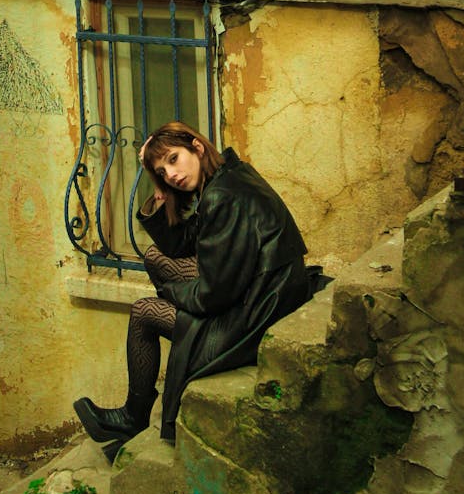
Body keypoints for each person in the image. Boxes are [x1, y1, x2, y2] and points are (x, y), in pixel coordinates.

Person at [73, 121, 313, 454]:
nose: (170, 174)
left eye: (173, 159)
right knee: (156, 258)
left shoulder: (222, 197)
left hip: (256, 311)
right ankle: (178, 349)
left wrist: (169, 292)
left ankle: (133, 417)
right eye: (162, 170)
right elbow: (182, 244)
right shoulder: (227, 175)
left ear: (196, 147)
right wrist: (160, 190)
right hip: (264, 289)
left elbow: (214, 294)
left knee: (145, 311)